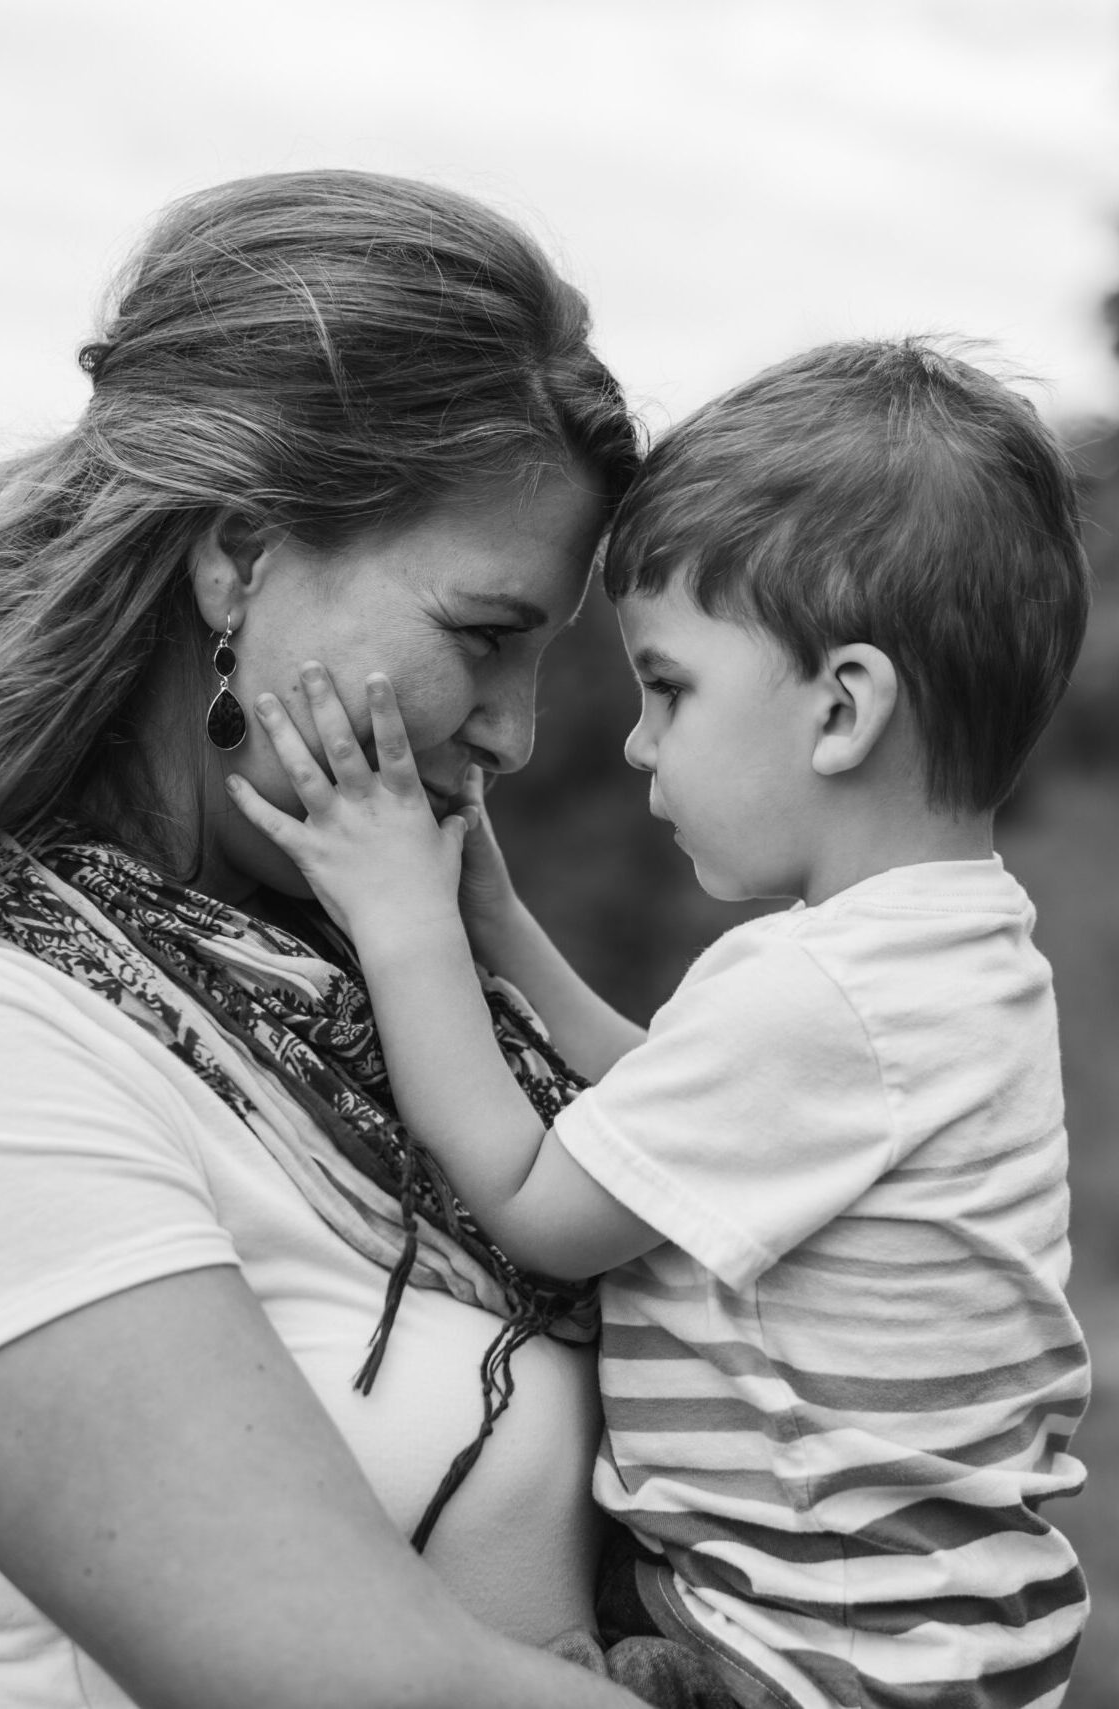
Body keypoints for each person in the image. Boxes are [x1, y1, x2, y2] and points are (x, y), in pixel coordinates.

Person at [0, 170, 659, 1709]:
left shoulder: (393, 986)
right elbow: (367, 1683)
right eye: (483, 637)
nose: (516, 729)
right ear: (238, 554)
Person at [231, 339, 1094, 1709]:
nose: (637, 741)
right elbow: (672, 1116)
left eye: (671, 686)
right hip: (940, 1642)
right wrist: (500, 935)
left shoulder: (817, 991)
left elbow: (543, 1199)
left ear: (843, 708)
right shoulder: (955, 949)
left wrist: (402, 925)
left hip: (801, 1661)